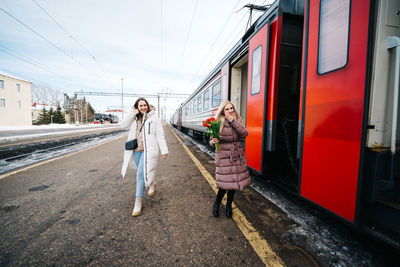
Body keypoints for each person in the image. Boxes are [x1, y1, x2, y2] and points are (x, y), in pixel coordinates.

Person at [121, 97, 168, 216]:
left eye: (144, 105)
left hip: (148, 151)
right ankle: (152, 184)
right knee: (143, 172)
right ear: (137, 107)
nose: (143, 107)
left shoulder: (153, 118)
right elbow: (123, 126)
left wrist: (164, 150)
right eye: (140, 106)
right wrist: (132, 113)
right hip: (136, 150)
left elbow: (160, 135)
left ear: (147, 105)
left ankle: (138, 201)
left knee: (140, 174)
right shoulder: (134, 119)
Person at [210, 100, 251, 218]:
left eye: (231, 108)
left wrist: (233, 121)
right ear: (223, 111)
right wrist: (213, 141)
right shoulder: (217, 122)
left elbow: (244, 133)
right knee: (224, 185)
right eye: (227, 109)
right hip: (223, 156)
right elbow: (211, 141)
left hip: (236, 155)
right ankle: (217, 203)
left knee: (234, 184)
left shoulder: (236, 120)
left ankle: (229, 205)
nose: (230, 111)